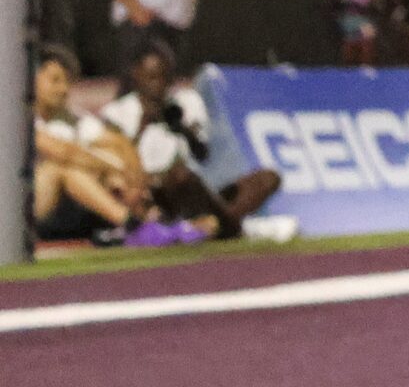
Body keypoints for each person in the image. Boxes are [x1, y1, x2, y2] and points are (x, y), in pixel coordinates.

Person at [97, 41, 282, 241]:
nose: (157, 84)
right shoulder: (118, 112)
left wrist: (182, 129)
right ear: (136, 74)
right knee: (179, 175)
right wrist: (143, 125)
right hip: (151, 191)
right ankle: (231, 227)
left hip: (195, 188)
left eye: (163, 77)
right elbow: (114, 162)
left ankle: (212, 225)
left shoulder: (186, 102)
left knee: (268, 178)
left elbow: (202, 155)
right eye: (151, 77)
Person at [31, 44, 149, 245]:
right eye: (55, 80)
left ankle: (141, 221)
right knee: (59, 168)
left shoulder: (71, 119)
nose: (63, 89)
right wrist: (113, 166)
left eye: (68, 81)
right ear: (33, 80)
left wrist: (133, 182)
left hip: (66, 211)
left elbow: (119, 144)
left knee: (106, 151)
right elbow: (63, 152)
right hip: (20, 213)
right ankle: (132, 225)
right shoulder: (17, 118)